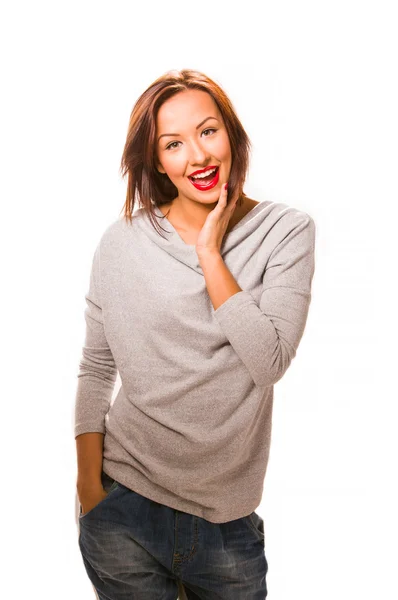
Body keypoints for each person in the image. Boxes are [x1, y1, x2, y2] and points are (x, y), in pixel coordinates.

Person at [74, 68, 316, 600]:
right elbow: (96, 366)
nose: (198, 157)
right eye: (174, 144)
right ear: (157, 161)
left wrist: (209, 252)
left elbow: (269, 360)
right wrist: (89, 490)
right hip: (123, 508)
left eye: (208, 131)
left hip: (225, 522)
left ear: (231, 134)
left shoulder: (285, 232)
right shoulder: (123, 242)